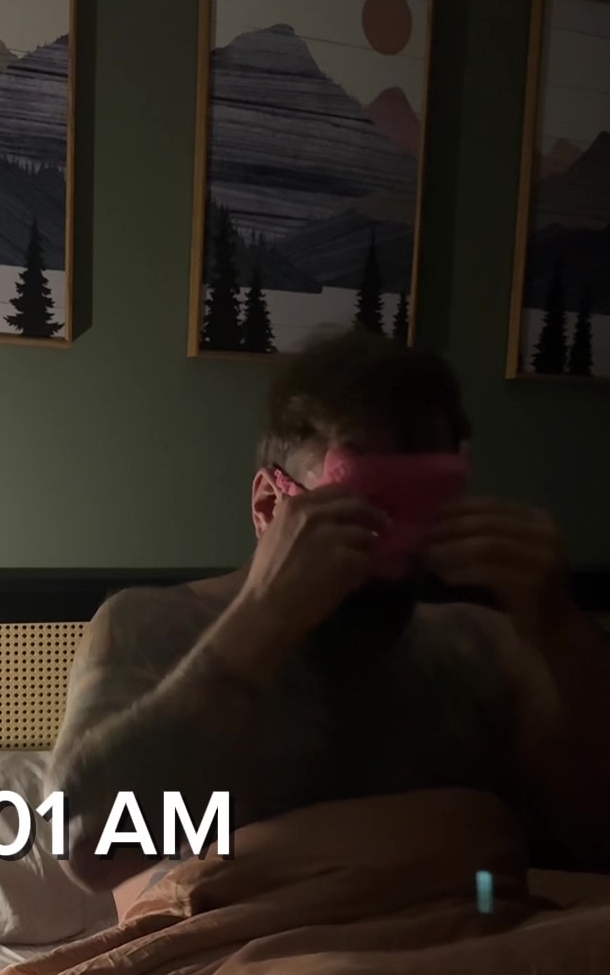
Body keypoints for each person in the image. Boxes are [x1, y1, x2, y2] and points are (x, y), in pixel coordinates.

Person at [51, 329, 610, 906]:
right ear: (270, 507)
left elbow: (593, 849)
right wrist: (264, 618)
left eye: (427, 506)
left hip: (477, 947)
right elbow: (87, 846)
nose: (397, 546)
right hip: (247, 953)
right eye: (362, 509)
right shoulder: (152, 627)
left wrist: (562, 633)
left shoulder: (482, 646)